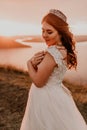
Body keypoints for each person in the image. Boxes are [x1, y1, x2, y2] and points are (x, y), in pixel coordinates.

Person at [20, 9, 87, 130]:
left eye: (49, 32)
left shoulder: (52, 52)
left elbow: (39, 82)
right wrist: (36, 65)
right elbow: (50, 73)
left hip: (45, 97)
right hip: (57, 93)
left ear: (60, 33)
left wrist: (29, 64)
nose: (44, 35)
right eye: (43, 31)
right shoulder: (64, 50)